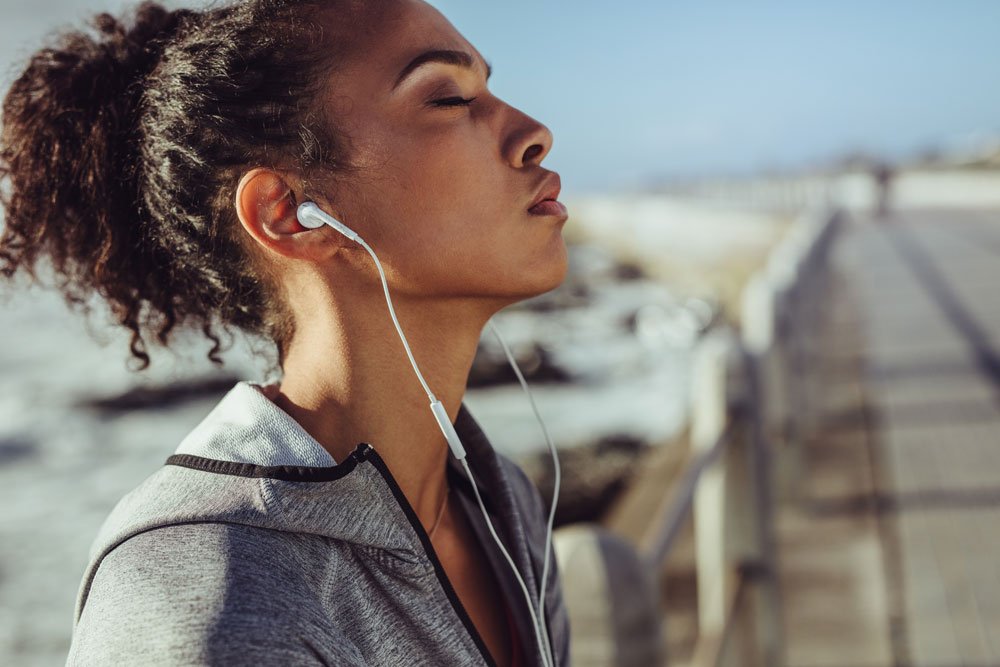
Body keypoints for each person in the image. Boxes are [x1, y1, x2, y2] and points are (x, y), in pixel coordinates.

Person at [0, 0, 572, 664]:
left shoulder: (504, 506)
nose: (534, 133)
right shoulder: (212, 596)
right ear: (288, 214)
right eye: (447, 97)